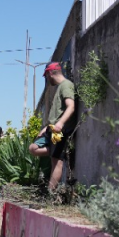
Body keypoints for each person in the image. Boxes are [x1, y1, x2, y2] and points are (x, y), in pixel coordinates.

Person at [28, 63, 76, 192]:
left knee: (57, 162)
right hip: (52, 129)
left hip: (60, 131)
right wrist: (46, 128)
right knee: (33, 148)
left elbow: (71, 106)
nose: (47, 80)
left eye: (46, 76)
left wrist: (60, 123)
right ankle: (58, 152)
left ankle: (50, 194)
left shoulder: (66, 85)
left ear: (50, 73)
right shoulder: (61, 87)